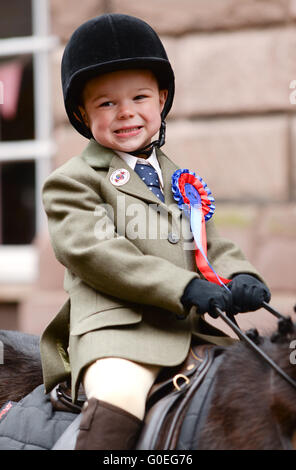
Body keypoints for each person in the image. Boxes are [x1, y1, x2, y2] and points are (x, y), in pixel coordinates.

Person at [40, 14, 270, 450]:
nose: (126, 112)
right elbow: (98, 253)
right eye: (106, 103)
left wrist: (241, 275)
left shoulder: (177, 178)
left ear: (162, 99)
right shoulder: (73, 181)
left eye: (139, 97)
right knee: (121, 397)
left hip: (187, 332)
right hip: (117, 336)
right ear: (80, 113)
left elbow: (209, 243)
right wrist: (184, 287)